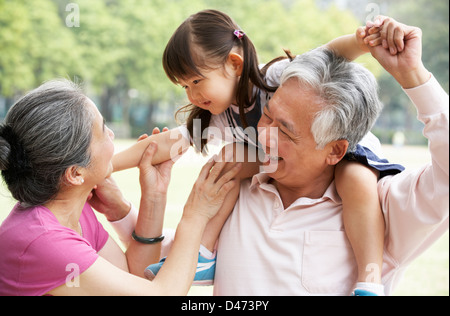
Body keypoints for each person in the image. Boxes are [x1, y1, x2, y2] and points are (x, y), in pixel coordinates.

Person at [113, 10, 403, 294]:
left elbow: (329, 54)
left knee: (354, 179)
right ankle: (204, 253)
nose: (191, 95)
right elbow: (164, 145)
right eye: (185, 86)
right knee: (227, 160)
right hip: (274, 152)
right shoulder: (219, 117)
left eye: (196, 81)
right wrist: (105, 166)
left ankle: (370, 279)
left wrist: (362, 43)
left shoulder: (274, 77)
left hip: (339, 146)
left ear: (234, 63)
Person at [210, 17, 448, 295]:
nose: (263, 136)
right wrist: (155, 200)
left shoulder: (384, 209)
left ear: (335, 150)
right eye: (267, 116)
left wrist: (413, 75)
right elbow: (165, 273)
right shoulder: (236, 185)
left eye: (285, 132)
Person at [0, 79, 241, 296]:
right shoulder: (44, 241)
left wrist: (153, 197)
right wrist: (196, 216)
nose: (112, 134)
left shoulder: (69, 210)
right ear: (75, 173)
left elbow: (134, 276)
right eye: (103, 130)